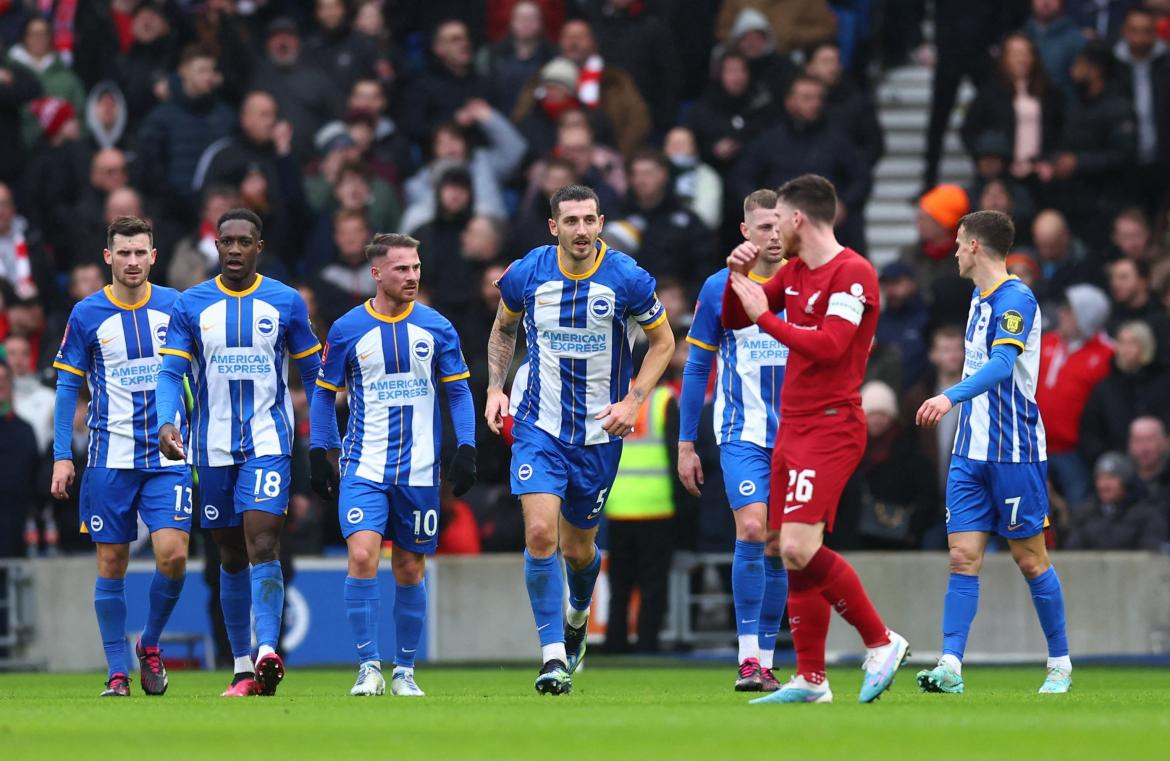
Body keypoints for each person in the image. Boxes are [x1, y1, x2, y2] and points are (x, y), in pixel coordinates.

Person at [722, 174, 909, 705]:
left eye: (778, 219)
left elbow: (829, 346)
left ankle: (881, 640)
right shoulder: (797, 271)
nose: (774, 231)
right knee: (785, 549)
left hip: (830, 425)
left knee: (803, 546)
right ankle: (811, 678)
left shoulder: (854, 274)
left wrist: (764, 315)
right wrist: (741, 277)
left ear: (799, 218)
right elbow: (739, 320)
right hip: (793, 425)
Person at [484, 184, 675, 694]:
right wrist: (495, 389)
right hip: (538, 426)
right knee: (541, 535)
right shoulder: (528, 272)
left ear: (601, 221)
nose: (583, 230)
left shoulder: (626, 278)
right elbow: (504, 330)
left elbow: (663, 341)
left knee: (578, 551)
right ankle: (551, 657)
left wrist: (633, 401)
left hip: (597, 435)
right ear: (554, 227)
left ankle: (577, 614)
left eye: (590, 220)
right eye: (571, 221)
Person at [154, 209, 325, 698]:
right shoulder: (191, 305)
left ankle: (268, 648)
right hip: (209, 448)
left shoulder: (286, 302)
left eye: (243, 242)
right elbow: (170, 374)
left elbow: (314, 375)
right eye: (225, 241)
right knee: (229, 555)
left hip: (269, 442)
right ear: (216, 246)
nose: (233, 250)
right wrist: (169, 421)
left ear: (259, 247)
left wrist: (322, 439)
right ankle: (243, 667)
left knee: (263, 541)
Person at [309, 233, 477, 698]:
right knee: (362, 555)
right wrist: (319, 451)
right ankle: (368, 666)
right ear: (377, 273)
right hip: (363, 466)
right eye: (402, 268)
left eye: (417, 267)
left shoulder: (438, 327)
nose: (413, 276)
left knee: (408, 566)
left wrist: (467, 447)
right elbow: (324, 395)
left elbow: (459, 392)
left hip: (420, 471)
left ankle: (404, 669)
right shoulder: (346, 329)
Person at [915, 209, 1072, 695]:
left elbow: (1003, 365)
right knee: (962, 558)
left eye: (960, 242)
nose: (955, 250)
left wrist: (949, 396)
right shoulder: (976, 298)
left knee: (1030, 560)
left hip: (1015, 450)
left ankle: (1060, 663)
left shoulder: (1016, 299)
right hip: (969, 452)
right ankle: (950, 666)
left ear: (976, 246)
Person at [49, 216, 190, 697]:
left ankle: (149, 644)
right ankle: (116, 671)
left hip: (169, 456)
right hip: (110, 458)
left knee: (173, 556)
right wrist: (62, 455)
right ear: (108, 258)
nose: (132, 261)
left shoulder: (177, 307)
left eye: (140, 252)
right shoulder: (87, 313)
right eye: (123, 253)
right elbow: (69, 385)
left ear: (154, 256)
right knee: (112, 564)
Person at [678, 189, 789, 692]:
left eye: (780, 225)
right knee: (750, 529)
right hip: (741, 433)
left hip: (797, 435)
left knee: (779, 546)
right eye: (763, 226)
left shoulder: (808, 283)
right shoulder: (719, 286)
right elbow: (698, 364)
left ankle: (767, 657)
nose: (773, 234)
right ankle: (747, 659)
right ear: (745, 232)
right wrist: (685, 444)